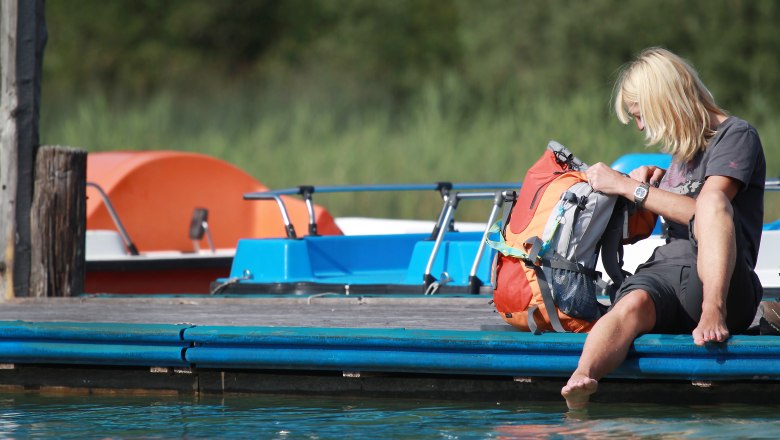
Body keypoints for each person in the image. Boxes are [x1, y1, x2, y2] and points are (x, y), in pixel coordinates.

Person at [561, 47, 766, 410]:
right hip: (670, 271)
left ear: (663, 101)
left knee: (713, 202)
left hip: (721, 279)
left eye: (641, 115)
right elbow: (670, 209)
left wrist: (631, 188)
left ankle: (711, 312)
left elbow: (704, 210)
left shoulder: (736, 135)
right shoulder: (680, 156)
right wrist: (646, 190)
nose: (640, 127)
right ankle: (584, 375)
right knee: (630, 304)